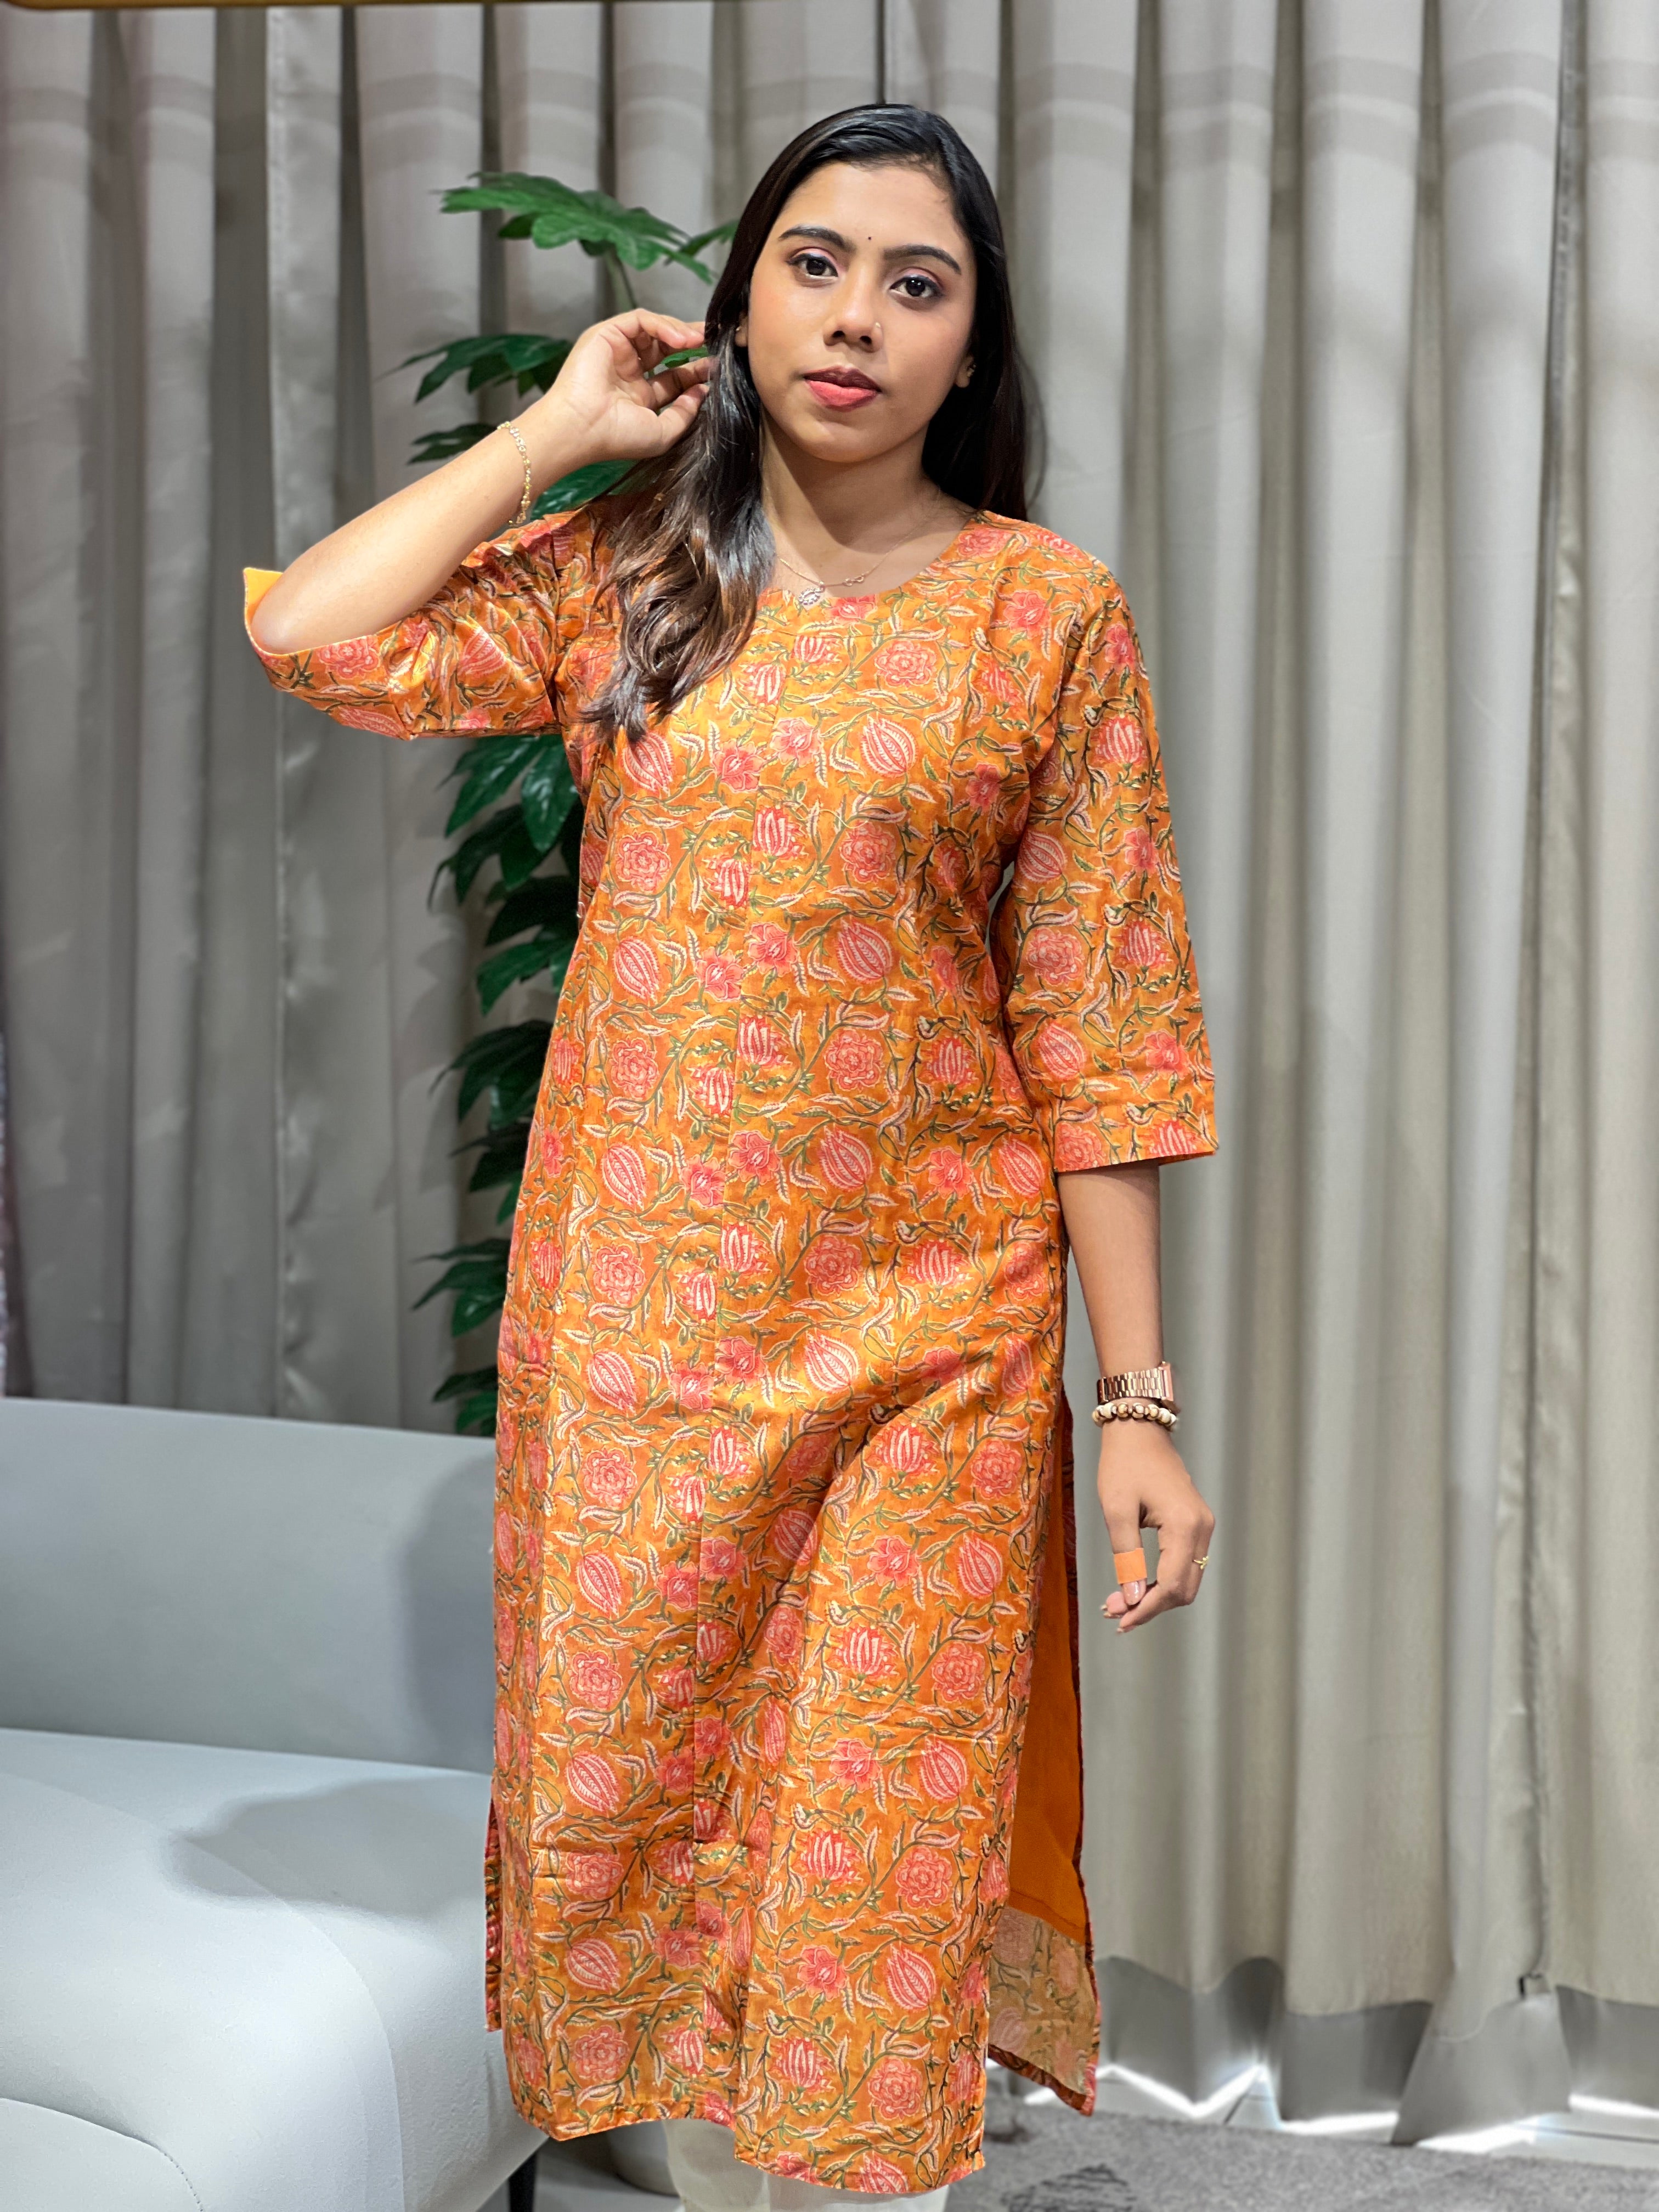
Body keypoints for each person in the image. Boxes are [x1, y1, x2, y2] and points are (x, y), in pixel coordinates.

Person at [247, 103, 1216, 2212]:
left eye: (917, 285)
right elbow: (315, 632)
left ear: (973, 348)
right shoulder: (637, 576)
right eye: (815, 263)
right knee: (631, 1859)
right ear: (741, 302)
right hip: (643, 1347)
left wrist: (1134, 1406)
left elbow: (1106, 1026)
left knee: (877, 1900)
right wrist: (553, 438)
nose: (857, 318)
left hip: (929, 1356)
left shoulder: (1043, 614)